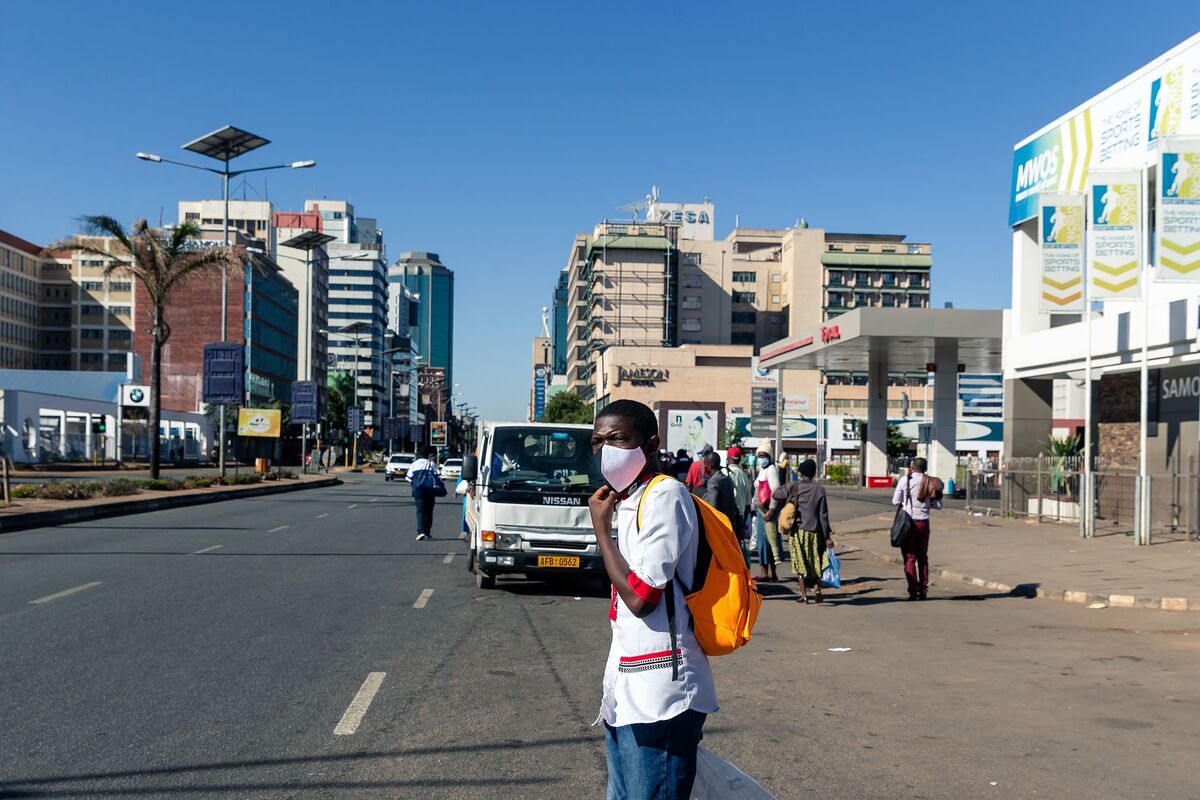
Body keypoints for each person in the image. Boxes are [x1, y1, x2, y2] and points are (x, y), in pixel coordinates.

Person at [588, 399, 717, 799]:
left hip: (662, 691)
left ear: (650, 444)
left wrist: (601, 532)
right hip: (626, 688)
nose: (605, 449)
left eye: (618, 438)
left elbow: (642, 598)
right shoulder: (626, 500)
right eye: (597, 441)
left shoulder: (665, 496)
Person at [777, 459, 834, 604]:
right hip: (815, 532)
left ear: (800, 473)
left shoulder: (795, 486)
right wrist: (827, 536)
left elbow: (776, 494)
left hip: (798, 531)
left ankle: (804, 595)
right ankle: (817, 588)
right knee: (814, 562)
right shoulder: (820, 490)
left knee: (799, 563)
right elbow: (823, 515)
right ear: (814, 473)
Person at [891, 456, 943, 600]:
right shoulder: (931, 481)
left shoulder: (905, 480)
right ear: (925, 468)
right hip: (924, 523)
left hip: (907, 522)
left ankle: (913, 591)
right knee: (922, 557)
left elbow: (895, 501)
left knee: (909, 557)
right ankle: (923, 590)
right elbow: (938, 505)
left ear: (913, 467)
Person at [754, 440, 782, 582]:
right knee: (765, 541)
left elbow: (776, 490)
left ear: (769, 457)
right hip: (761, 511)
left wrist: (771, 509)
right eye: (759, 456)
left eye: (763, 456)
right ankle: (767, 573)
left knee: (767, 541)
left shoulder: (771, 470)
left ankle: (768, 573)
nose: (761, 459)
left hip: (767, 512)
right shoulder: (763, 470)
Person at [724, 446, 753, 567]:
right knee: (738, 548)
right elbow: (748, 503)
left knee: (726, 549)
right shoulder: (744, 475)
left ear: (728, 458)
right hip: (740, 518)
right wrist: (744, 522)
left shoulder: (724, 473)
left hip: (726, 517)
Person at [701, 451, 739, 530]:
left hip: (719, 526)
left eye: (706, 465)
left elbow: (712, 508)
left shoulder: (713, 481)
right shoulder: (727, 479)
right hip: (730, 524)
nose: (704, 468)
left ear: (711, 466)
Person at [409, 446, 440, 541]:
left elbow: (409, 478)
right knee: (429, 512)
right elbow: (438, 476)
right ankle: (427, 532)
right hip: (430, 491)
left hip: (419, 492)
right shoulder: (431, 464)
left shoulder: (414, 464)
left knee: (420, 511)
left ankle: (421, 532)